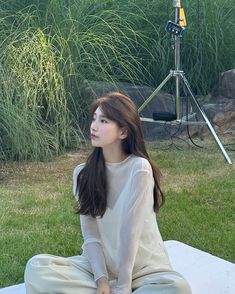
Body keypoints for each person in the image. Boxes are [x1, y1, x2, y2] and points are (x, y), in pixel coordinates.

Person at [24, 92, 191, 294]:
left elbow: (130, 232)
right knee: (37, 268)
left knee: (177, 288)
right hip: (97, 269)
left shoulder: (139, 169)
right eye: (94, 118)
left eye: (103, 121)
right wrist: (101, 281)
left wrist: (123, 286)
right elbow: (91, 236)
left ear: (123, 132)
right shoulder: (82, 174)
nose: (94, 126)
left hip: (143, 269)